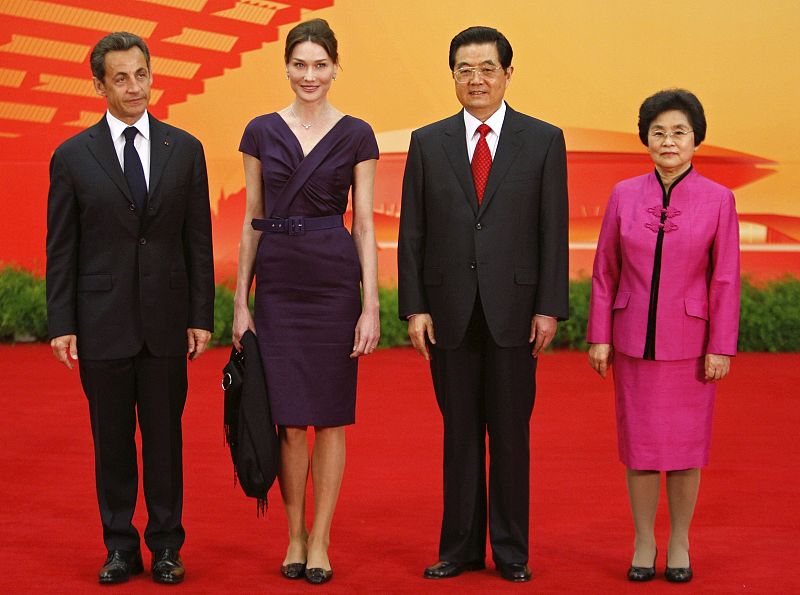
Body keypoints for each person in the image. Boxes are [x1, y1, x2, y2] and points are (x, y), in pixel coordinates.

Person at [398, 26, 569, 583]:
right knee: (460, 434)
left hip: (516, 312)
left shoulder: (543, 140)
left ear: (508, 73)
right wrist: (415, 307)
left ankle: (512, 552)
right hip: (448, 310)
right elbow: (414, 233)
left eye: (487, 68)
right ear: (452, 76)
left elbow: (553, 230)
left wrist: (549, 306)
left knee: (512, 435)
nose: (476, 79)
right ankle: (461, 548)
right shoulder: (428, 142)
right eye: (464, 70)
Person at [46, 32, 214, 585]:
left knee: (166, 441)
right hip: (102, 324)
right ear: (99, 85)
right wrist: (63, 323)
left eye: (141, 74)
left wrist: (199, 315)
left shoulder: (184, 148)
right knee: (111, 441)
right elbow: (62, 247)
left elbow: (198, 241)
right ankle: (119, 545)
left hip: (167, 323)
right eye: (120, 78)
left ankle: (167, 545)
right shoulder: (72, 156)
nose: (135, 86)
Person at [232, 18, 379, 586]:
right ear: (286, 67)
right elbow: (250, 219)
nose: (310, 75)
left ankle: (321, 539)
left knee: (332, 419)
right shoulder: (260, 131)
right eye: (300, 64)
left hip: (334, 281)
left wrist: (369, 305)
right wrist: (241, 302)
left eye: (321, 64)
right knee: (290, 422)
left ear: (336, 67)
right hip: (278, 284)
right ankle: (293, 534)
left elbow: (364, 223)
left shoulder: (358, 133)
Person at [587, 89, 740, 583]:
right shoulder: (623, 194)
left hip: (691, 346)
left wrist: (720, 344)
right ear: (645, 139)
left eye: (679, 132)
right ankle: (643, 540)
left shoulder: (719, 199)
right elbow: (605, 270)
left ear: (696, 138)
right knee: (641, 449)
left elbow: (725, 277)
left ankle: (679, 541)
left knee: (686, 451)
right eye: (658, 132)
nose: (668, 141)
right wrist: (600, 335)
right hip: (631, 340)